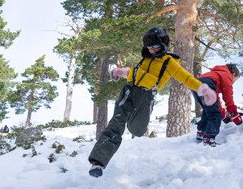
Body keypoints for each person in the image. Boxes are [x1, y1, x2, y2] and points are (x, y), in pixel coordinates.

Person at [88, 27, 217, 178]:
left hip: (145, 97)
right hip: (129, 92)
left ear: (164, 45)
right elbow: (134, 73)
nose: (152, 50)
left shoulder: (169, 63)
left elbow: (185, 77)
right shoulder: (146, 58)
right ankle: (98, 163)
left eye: (156, 46)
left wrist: (202, 89)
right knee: (116, 124)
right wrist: (119, 71)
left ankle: (132, 125)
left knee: (137, 130)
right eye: (149, 47)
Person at [192, 64, 242, 147]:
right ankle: (209, 138)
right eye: (234, 80)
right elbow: (228, 96)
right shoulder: (226, 75)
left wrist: (223, 114)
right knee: (215, 115)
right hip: (207, 85)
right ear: (233, 74)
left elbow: (216, 100)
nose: (232, 83)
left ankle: (201, 132)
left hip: (195, 86)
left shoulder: (216, 74)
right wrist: (234, 114)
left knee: (208, 110)